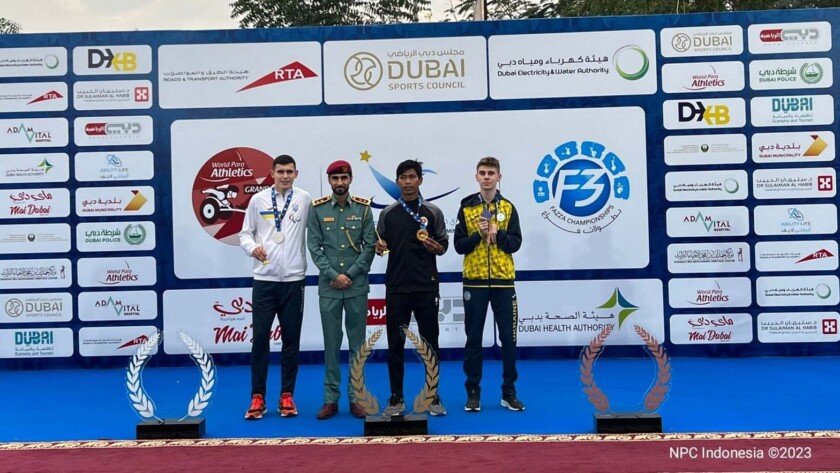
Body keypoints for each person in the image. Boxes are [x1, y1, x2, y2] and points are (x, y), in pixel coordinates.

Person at [239, 154, 311, 420]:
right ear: (271, 173)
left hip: (294, 280)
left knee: (291, 341)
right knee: (260, 341)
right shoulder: (258, 200)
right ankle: (257, 397)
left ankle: (286, 395)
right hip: (265, 279)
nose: (285, 176)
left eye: (289, 172)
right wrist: (252, 248)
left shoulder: (304, 199)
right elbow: (245, 233)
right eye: (280, 171)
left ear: (296, 173)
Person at [374, 159, 449, 416]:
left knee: (430, 344)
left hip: (426, 287)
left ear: (420, 180)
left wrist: (435, 247)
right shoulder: (387, 214)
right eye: (403, 177)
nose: (408, 181)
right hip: (396, 288)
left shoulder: (433, 212)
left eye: (412, 177)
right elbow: (379, 244)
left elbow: (443, 246)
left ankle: (433, 396)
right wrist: (378, 247)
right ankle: (396, 398)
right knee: (395, 345)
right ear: (397, 181)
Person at [453, 156, 524, 412]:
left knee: (508, 338)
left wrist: (499, 234)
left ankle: (509, 392)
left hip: (504, 281)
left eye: (491, 173)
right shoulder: (466, 207)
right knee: (473, 339)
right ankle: (473, 393)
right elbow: (459, 246)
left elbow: (516, 243)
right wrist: (478, 235)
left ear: (498, 177)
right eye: (482, 172)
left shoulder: (509, 207)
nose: (486, 177)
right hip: (475, 281)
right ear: (476, 176)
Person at [307, 160, 375, 420]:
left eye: (343, 177)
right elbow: (314, 247)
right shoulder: (318, 209)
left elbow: (369, 246)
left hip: (356, 287)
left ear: (350, 179)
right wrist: (335, 275)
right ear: (329, 180)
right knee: (332, 345)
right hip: (330, 287)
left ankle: (357, 398)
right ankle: (330, 400)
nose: (339, 183)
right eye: (335, 178)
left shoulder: (364, 209)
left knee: (358, 346)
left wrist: (351, 275)